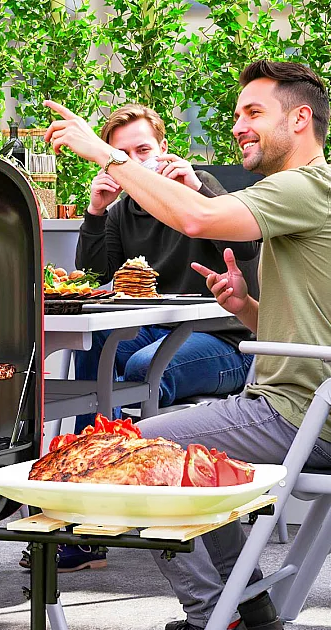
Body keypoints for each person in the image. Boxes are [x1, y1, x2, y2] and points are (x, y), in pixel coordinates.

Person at [43, 59, 331, 630]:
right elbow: (318, 334)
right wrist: (247, 307)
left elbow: (195, 216)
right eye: (237, 117)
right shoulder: (325, 194)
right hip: (323, 409)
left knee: (125, 453)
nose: (240, 128)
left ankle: (211, 622)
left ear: (299, 119)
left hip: (309, 416)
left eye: (254, 113)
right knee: (183, 455)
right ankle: (243, 611)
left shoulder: (309, 186)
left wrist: (105, 154)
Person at [51, 102, 262, 574]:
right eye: (121, 153)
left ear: (164, 148)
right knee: (94, 352)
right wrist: (95, 210)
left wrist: (199, 188)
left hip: (226, 341)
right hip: (156, 330)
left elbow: (248, 248)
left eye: (143, 149)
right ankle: (90, 508)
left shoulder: (202, 193)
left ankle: (136, 495)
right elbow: (94, 276)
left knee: (143, 367)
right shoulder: (125, 210)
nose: (134, 161)